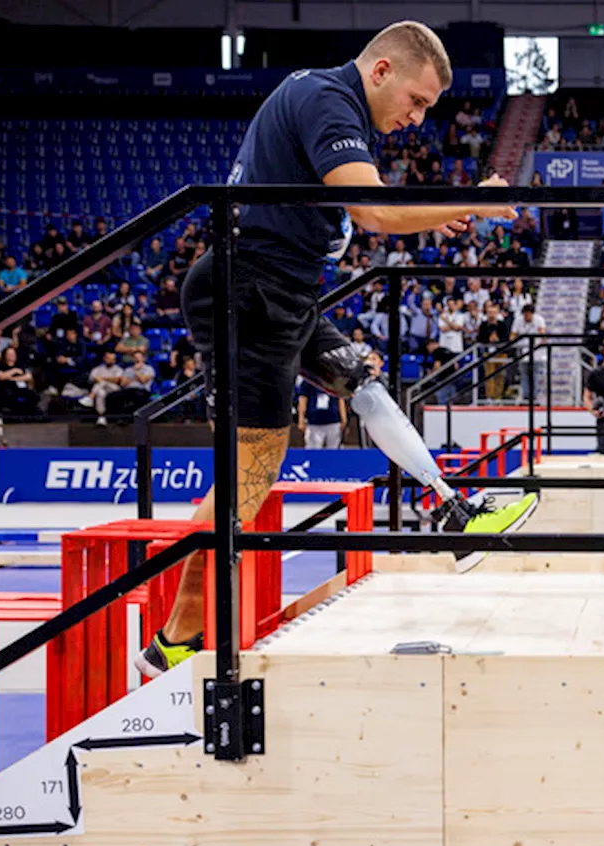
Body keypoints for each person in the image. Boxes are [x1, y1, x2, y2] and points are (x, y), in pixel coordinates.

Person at [137, 21, 536, 678]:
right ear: (381, 71)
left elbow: (367, 212)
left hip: (283, 291)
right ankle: (173, 641)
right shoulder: (328, 100)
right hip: (252, 289)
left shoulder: (330, 104)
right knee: (253, 467)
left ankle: (453, 508)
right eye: (417, 100)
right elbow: (372, 210)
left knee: (365, 381)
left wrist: (439, 212)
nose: (418, 118)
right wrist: (466, 200)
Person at [296, 378, 347, 448]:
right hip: (313, 421)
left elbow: (340, 399)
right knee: (312, 450)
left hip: (333, 420)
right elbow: (302, 400)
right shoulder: (308, 380)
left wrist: (344, 419)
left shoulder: (335, 379)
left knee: (334, 451)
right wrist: (301, 420)